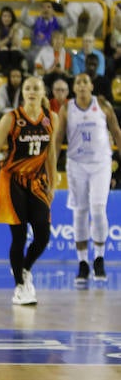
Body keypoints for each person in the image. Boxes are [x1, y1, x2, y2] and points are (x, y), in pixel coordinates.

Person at [0, 76, 58, 306]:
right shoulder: (11, 118)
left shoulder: (51, 118)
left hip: (37, 182)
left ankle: (24, 269)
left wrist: (52, 184)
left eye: (36, 87)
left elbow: (51, 155)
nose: (32, 91)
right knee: (19, 235)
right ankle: (20, 288)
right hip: (12, 180)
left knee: (43, 235)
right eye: (28, 88)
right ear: (23, 92)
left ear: (43, 92)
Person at [53, 72, 121, 285]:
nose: (82, 85)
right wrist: (51, 167)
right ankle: (82, 263)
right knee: (80, 213)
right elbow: (57, 139)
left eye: (85, 82)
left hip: (101, 163)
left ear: (91, 86)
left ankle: (99, 258)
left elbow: (117, 132)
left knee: (98, 210)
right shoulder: (67, 109)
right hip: (76, 164)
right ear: (74, 88)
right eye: (78, 82)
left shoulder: (102, 105)